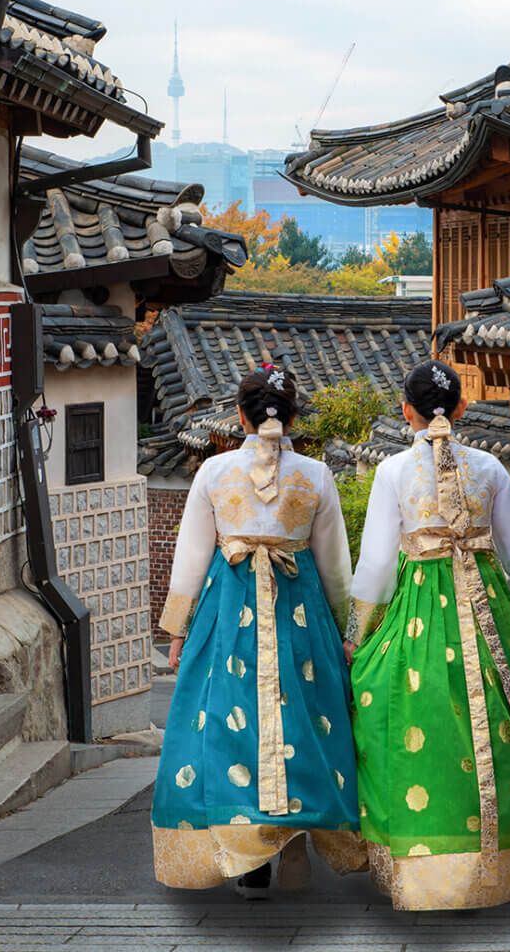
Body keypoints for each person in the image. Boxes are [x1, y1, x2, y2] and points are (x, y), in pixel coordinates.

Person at [346, 359, 510, 910]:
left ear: (406, 411)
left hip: (418, 617)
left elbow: (377, 566)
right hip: (489, 610)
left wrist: (361, 636)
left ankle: (426, 863)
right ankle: (500, 861)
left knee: (411, 720)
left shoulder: (391, 473)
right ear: (461, 408)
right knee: (504, 716)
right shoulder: (491, 468)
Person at [150, 365, 365, 899]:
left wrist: (176, 630)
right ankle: (292, 840)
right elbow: (336, 566)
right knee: (304, 723)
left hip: (228, 610)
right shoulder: (315, 475)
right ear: (293, 418)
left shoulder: (214, 472)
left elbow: (192, 557)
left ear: (240, 415)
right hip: (301, 611)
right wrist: (352, 630)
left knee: (229, 727)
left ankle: (250, 853)